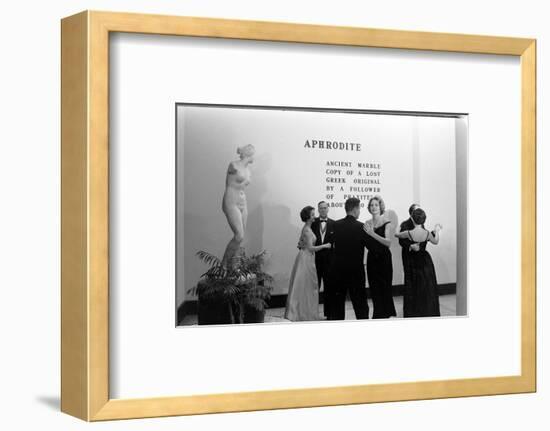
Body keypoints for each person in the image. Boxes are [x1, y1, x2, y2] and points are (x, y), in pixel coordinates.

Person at [285, 206, 331, 321]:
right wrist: (325, 246)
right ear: (308, 217)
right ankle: (303, 314)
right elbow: (310, 248)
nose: (314, 216)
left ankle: (306, 313)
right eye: (312, 215)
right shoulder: (307, 230)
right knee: (306, 286)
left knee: (306, 286)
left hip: (306, 257)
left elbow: (303, 243)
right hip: (306, 259)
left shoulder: (306, 228)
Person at [394, 208, 442, 317]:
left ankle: (414, 311)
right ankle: (426, 310)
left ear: (412, 219)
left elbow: (397, 235)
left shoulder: (409, 233)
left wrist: (397, 227)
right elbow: (436, 241)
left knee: (413, 286)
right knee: (425, 286)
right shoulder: (427, 233)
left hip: (412, 261)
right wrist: (437, 231)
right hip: (425, 261)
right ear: (424, 220)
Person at [329, 198, 370, 320]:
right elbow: (371, 246)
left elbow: (330, 245)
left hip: (338, 270)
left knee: (337, 305)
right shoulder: (361, 227)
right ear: (355, 209)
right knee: (360, 304)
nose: (359, 212)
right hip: (356, 271)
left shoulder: (335, 225)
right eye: (359, 209)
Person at [363, 196, 397, 318]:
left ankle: (387, 314)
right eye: (371, 205)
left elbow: (388, 243)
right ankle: (378, 315)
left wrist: (372, 233)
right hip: (372, 259)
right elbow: (366, 243)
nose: (374, 207)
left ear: (380, 206)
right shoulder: (366, 223)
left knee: (385, 287)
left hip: (384, 259)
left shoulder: (386, 222)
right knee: (374, 288)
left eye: (376, 205)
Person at [221, 144, 255, 266]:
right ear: (248, 154)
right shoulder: (233, 165)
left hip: (242, 201)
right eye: (253, 155)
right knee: (239, 236)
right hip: (231, 200)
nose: (254, 158)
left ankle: (234, 267)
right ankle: (223, 266)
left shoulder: (248, 170)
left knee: (242, 237)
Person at [311, 201, 336, 318]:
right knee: (314, 288)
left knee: (329, 288)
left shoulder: (334, 224)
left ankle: (329, 313)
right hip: (314, 261)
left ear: (328, 209)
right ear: (318, 209)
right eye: (321, 208)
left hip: (329, 262)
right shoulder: (312, 223)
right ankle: (312, 312)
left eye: (325, 208)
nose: (323, 210)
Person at [398, 203, 420, 317]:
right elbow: (401, 241)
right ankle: (409, 311)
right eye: (417, 210)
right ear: (411, 213)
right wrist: (410, 246)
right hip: (408, 256)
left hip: (419, 258)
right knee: (409, 282)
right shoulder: (405, 224)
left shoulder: (421, 224)